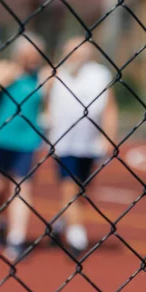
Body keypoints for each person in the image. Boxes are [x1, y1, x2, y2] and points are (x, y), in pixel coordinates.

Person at [0, 32, 47, 261]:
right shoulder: (5, 69)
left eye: (37, 55)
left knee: (23, 187)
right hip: (3, 138)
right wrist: (5, 78)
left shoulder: (42, 76)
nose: (33, 59)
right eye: (29, 54)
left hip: (29, 141)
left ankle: (16, 239)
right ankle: (1, 220)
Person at [46, 36, 118, 257]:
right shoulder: (56, 74)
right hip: (63, 142)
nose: (75, 56)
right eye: (71, 51)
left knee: (82, 190)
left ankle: (60, 224)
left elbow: (109, 107)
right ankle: (77, 236)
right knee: (68, 185)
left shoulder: (100, 75)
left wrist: (109, 137)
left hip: (89, 143)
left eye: (79, 51)